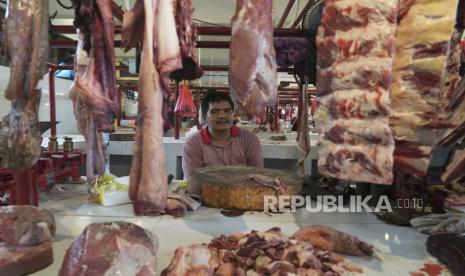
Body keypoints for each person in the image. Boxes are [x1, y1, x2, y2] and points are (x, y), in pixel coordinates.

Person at [182, 92, 264, 179]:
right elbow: (192, 181)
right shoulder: (193, 143)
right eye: (214, 111)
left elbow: (258, 176)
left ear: (233, 114)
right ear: (205, 116)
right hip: (206, 192)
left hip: (244, 191)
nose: (222, 116)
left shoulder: (249, 140)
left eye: (227, 111)